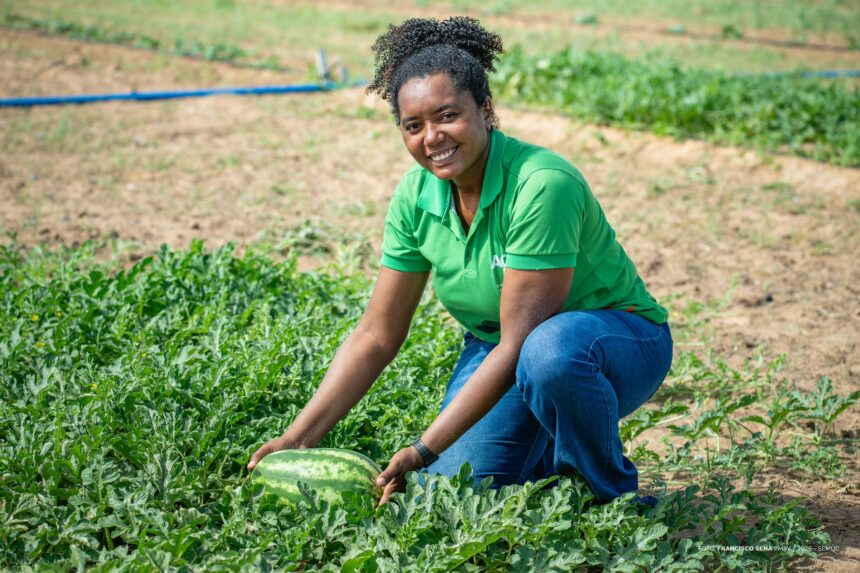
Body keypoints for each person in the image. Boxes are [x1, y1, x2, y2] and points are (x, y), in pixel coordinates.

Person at [247, 16, 673, 507]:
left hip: (610, 343)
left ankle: (611, 497)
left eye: (447, 116)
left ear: (485, 110)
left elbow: (520, 344)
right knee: (452, 495)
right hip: (503, 351)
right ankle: (546, 451)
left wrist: (421, 449)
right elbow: (377, 335)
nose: (432, 138)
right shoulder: (416, 195)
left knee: (549, 354)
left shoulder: (541, 184)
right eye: (414, 126)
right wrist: (297, 439)